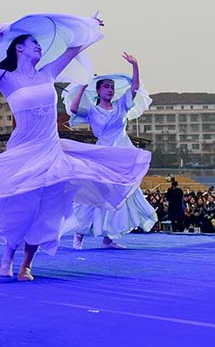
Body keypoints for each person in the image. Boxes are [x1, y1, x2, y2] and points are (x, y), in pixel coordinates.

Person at [0, 16, 151, 281]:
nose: (39, 46)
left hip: (49, 151)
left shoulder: (48, 72)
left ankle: (26, 264)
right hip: (23, 151)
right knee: (21, 205)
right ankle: (7, 256)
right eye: (33, 42)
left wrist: (88, 25)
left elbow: (74, 49)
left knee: (46, 209)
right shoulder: (6, 77)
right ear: (19, 48)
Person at [65, 54, 157, 248]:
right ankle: (79, 233)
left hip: (121, 156)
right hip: (102, 156)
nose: (110, 90)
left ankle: (109, 238)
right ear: (98, 90)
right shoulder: (92, 110)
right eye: (106, 87)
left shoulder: (121, 106)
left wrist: (135, 65)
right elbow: (73, 109)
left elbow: (134, 88)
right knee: (93, 193)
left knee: (121, 195)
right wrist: (83, 85)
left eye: (112, 87)